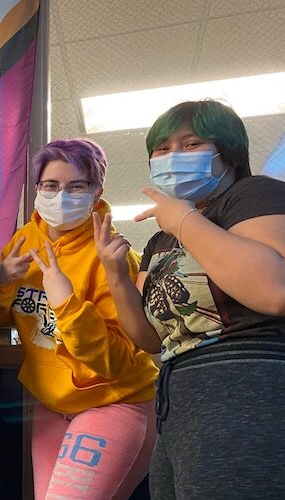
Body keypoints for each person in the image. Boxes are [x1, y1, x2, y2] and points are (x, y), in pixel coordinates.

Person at [94, 100, 285, 499]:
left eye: (191, 143)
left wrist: (183, 219)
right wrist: (115, 274)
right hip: (180, 397)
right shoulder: (160, 240)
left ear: (227, 153)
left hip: (248, 386)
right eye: (161, 149)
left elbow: (273, 290)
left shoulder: (253, 193)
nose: (172, 156)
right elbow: (149, 339)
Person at [0, 138, 158, 499]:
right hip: (50, 404)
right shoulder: (24, 241)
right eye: (50, 186)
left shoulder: (112, 257)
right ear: (37, 188)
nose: (60, 196)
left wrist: (66, 301)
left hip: (113, 401)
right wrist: (2, 281)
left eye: (76, 186)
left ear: (96, 192)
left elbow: (115, 361)